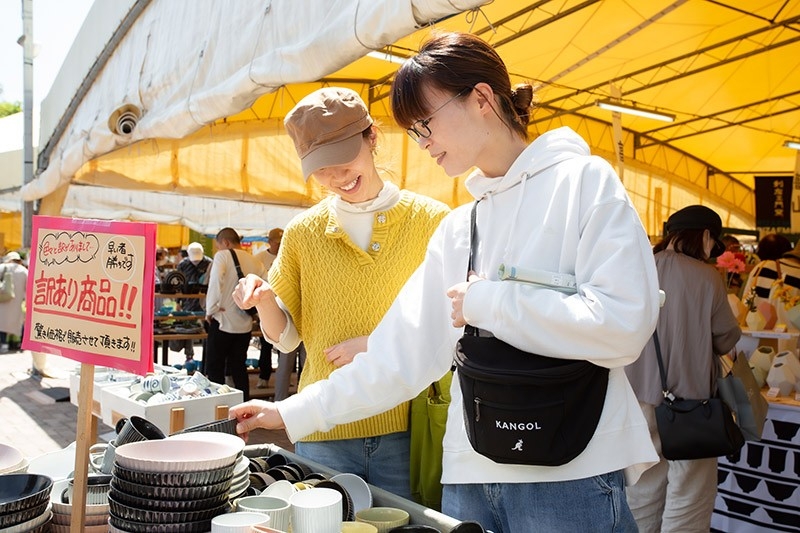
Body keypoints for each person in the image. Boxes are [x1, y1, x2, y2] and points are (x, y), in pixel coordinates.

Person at [231, 32, 659, 532]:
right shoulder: (461, 226)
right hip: (470, 472)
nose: (424, 142)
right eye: (414, 132)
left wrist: (488, 303)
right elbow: (400, 355)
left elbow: (625, 324)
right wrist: (293, 412)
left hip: (572, 473)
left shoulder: (586, 183)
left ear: (481, 99)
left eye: (427, 123)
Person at [231, 86, 450, 499]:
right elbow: (288, 337)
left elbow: (451, 325)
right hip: (321, 428)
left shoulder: (434, 221)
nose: (336, 177)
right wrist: (263, 301)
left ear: (372, 138)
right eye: (321, 168)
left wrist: (380, 345)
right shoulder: (303, 232)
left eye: (343, 159)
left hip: (407, 425)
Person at [625, 205, 741, 532]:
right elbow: (726, 337)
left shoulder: (639, 268)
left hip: (638, 396)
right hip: (693, 404)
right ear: (705, 236)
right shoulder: (708, 278)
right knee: (690, 493)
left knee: (642, 487)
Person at [205, 227, 266, 401]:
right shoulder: (255, 262)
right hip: (244, 324)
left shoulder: (223, 255)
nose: (218, 249)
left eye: (218, 246)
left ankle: (216, 407)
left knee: (215, 368)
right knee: (239, 368)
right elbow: (265, 287)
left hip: (223, 320)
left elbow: (216, 281)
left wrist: (210, 309)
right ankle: (243, 405)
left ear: (225, 242)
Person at [170, 242, 212, 359]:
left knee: (205, 329)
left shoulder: (209, 263)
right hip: (188, 300)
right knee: (188, 328)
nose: (195, 262)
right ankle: (189, 356)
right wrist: (178, 302)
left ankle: (206, 356)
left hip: (205, 301)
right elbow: (177, 282)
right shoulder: (183, 264)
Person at [254, 228, 283, 389]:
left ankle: (282, 378)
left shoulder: (288, 255)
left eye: (281, 242)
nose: (279, 246)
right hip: (265, 305)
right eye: (276, 242)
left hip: (285, 305)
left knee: (284, 345)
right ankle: (263, 376)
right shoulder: (259, 258)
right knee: (265, 343)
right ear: (269, 241)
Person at [739, 233, 792, 315]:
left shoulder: (760, 268)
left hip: (758, 323)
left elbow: (746, 300)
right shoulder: (792, 270)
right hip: (786, 325)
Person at [0, 252, 28, 353]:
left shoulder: (2, 267)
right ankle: (18, 344)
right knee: (17, 322)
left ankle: (3, 344)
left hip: (2, 299)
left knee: (2, 322)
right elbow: (28, 288)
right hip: (17, 301)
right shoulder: (24, 271)